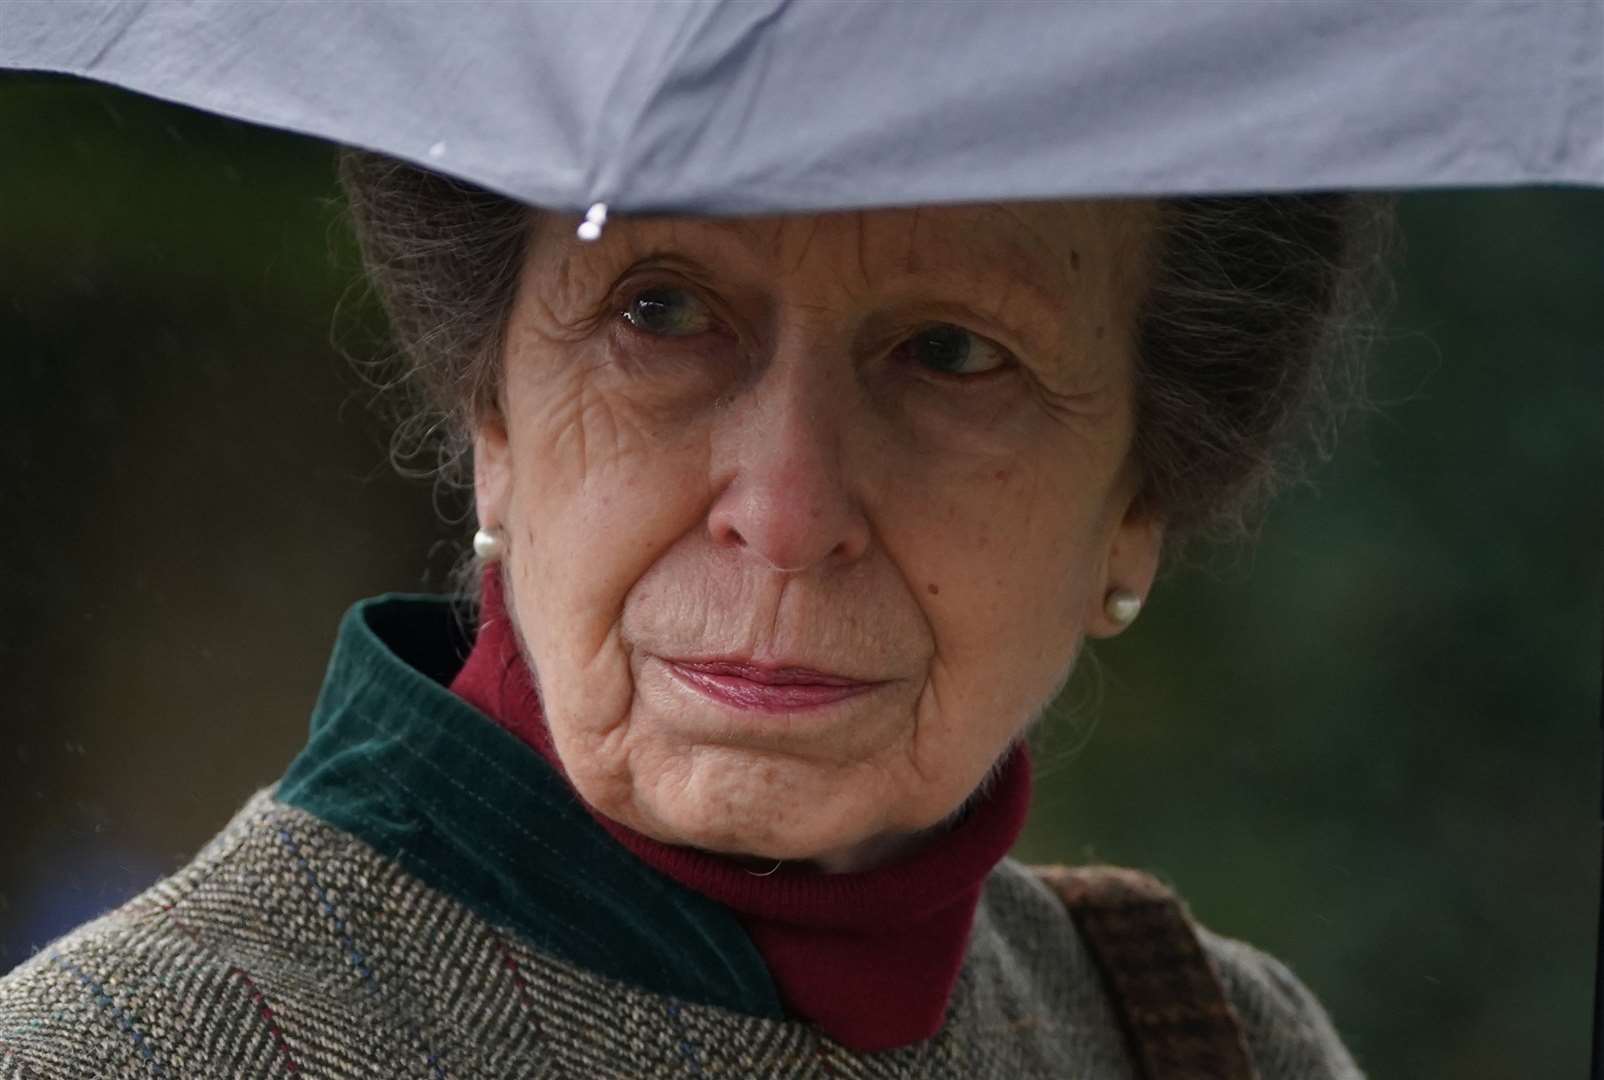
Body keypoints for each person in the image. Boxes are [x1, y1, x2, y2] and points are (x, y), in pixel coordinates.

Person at [0, 150, 1385, 1078]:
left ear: (1138, 499)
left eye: (954, 352)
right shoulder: (124, 1056)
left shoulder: (1208, 1044)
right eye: (660, 311)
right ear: (492, 412)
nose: (785, 514)